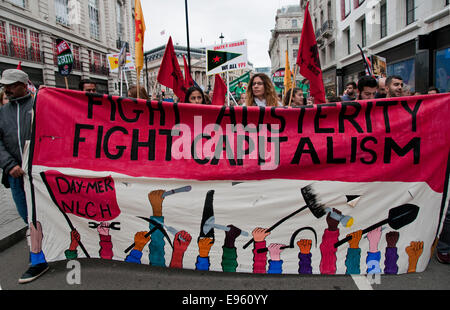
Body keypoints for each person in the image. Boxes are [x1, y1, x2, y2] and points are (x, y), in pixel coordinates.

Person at [0, 69, 49, 283]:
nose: (7, 89)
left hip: (40, 176)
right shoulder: (2, 112)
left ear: (23, 84)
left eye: (11, 85)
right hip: (16, 177)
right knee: (28, 218)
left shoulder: (42, 106)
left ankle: (39, 258)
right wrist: (10, 165)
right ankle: (39, 258)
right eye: (5, 86)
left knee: (42, 216)